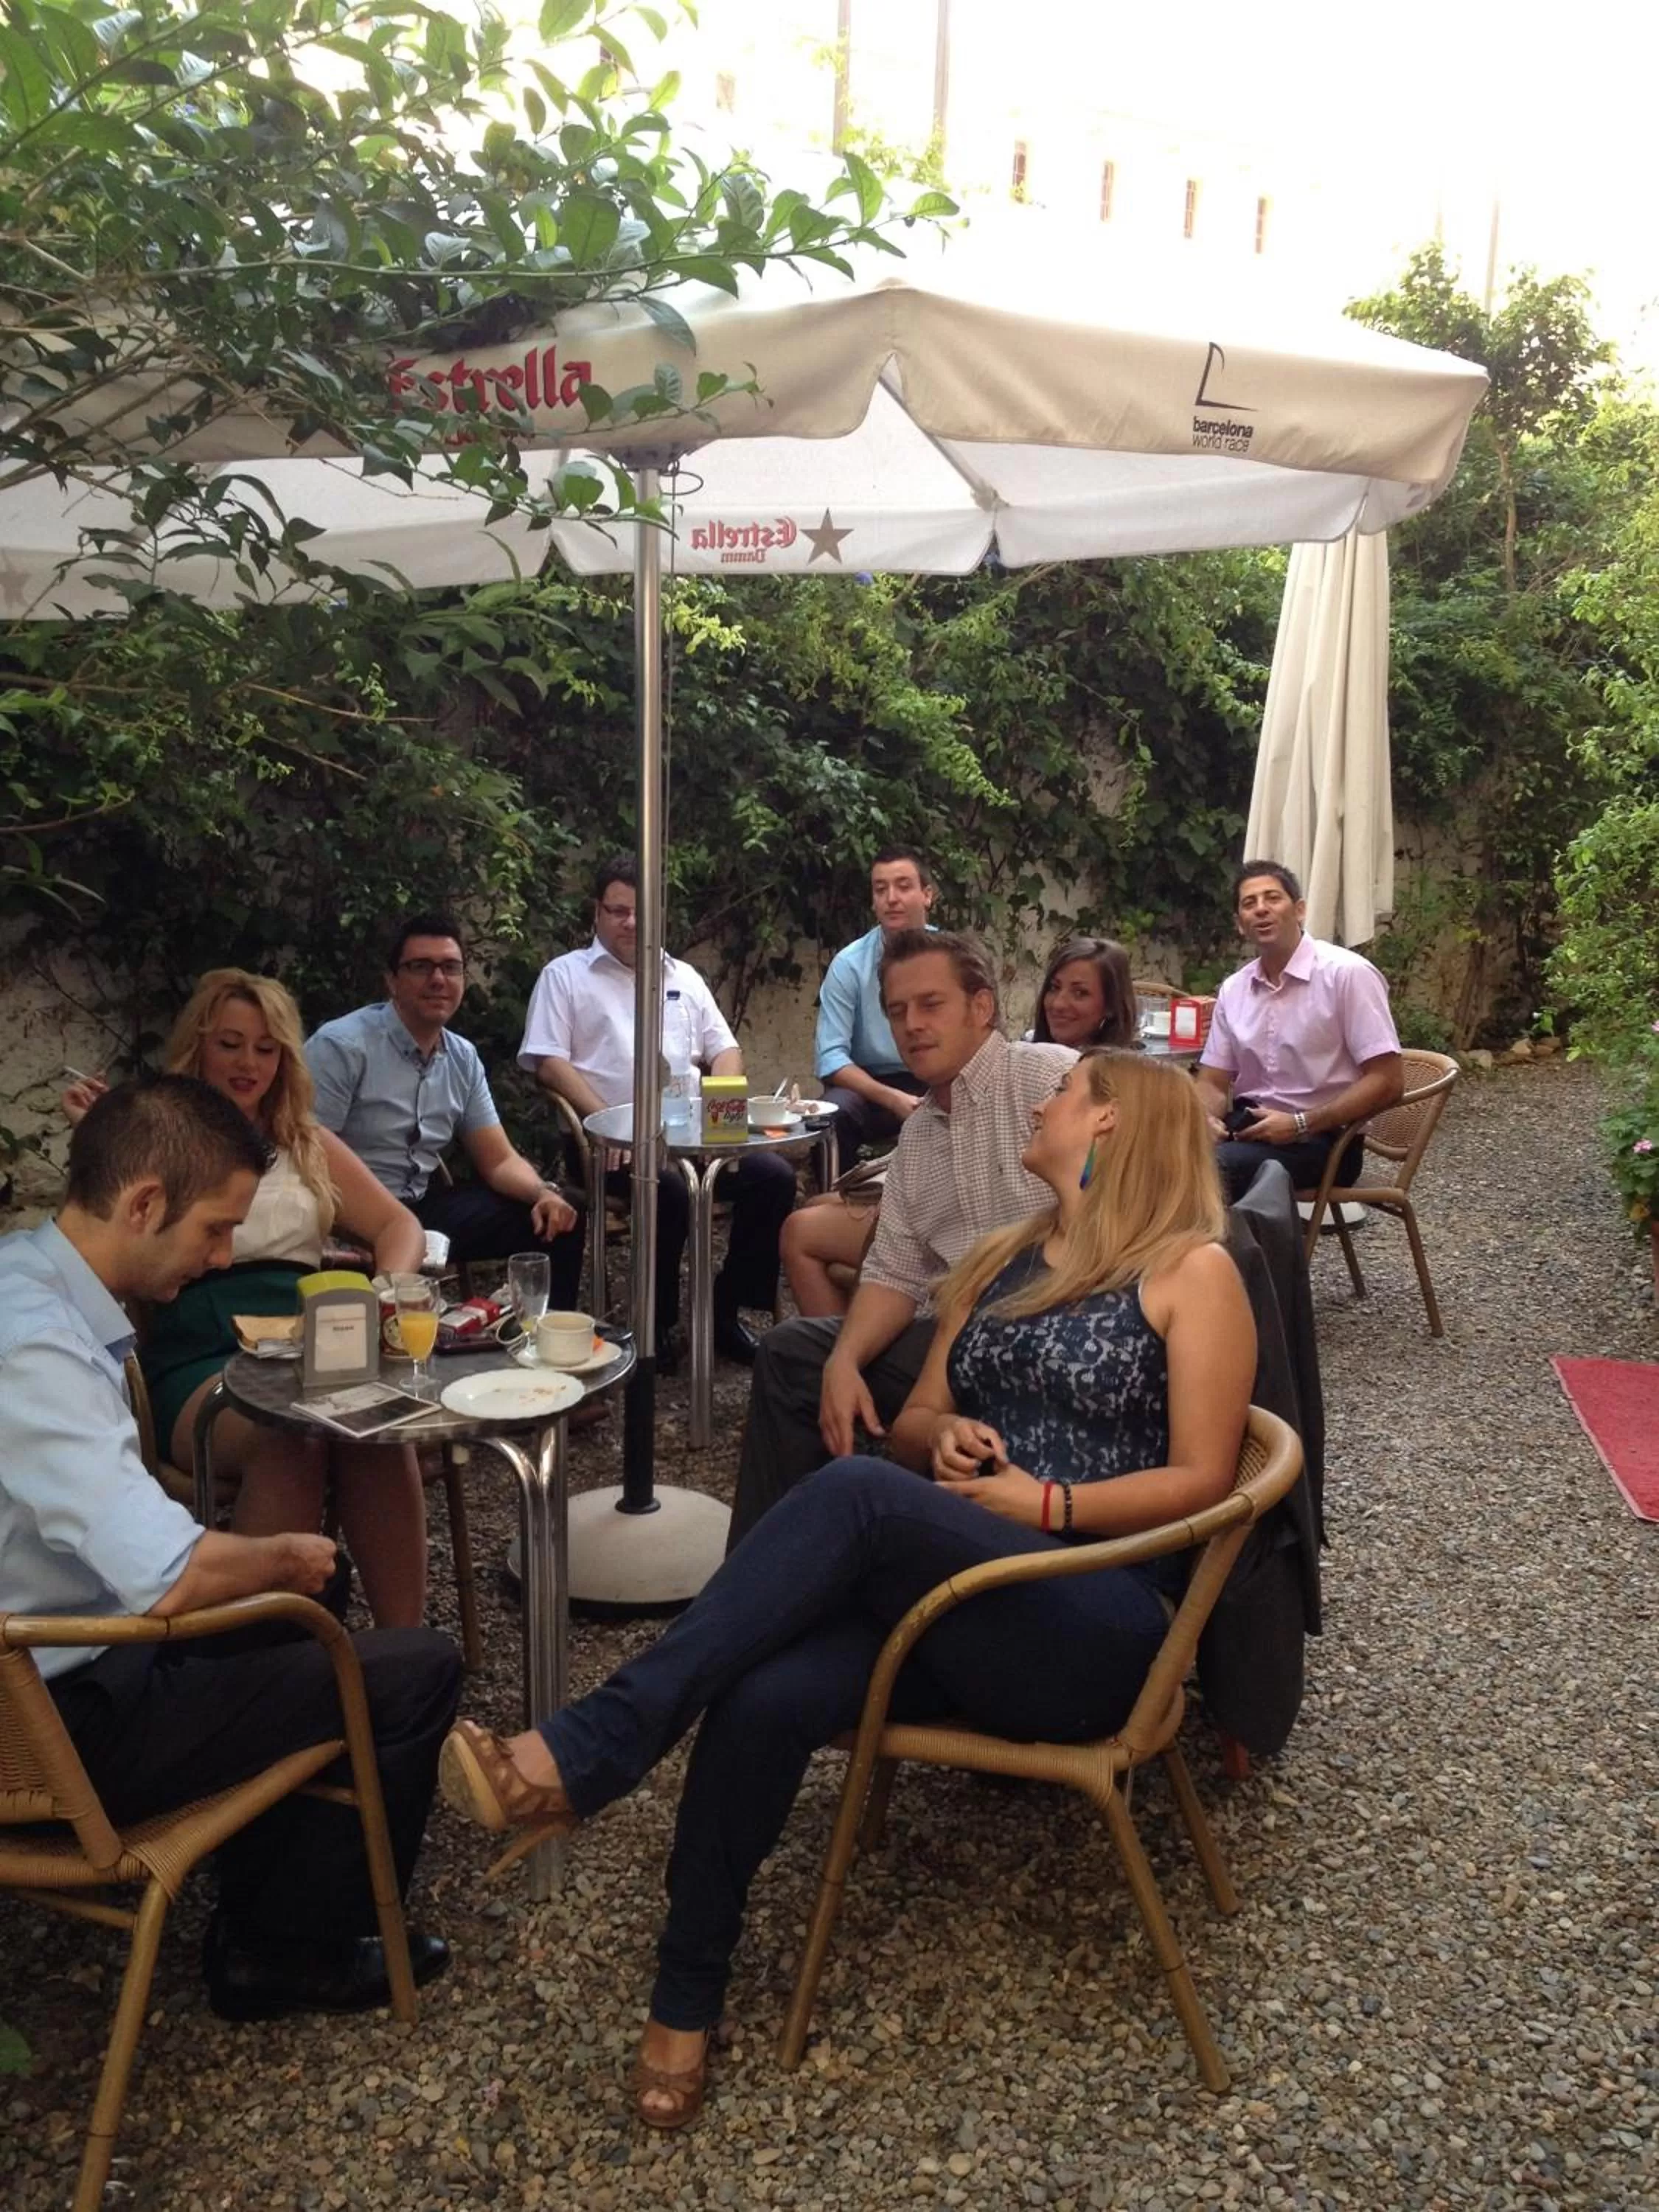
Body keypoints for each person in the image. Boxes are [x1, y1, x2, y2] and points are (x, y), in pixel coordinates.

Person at [437, 1048, 1255, 2129]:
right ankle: (684, 1997)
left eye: (1061, 1095)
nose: (1042, 1104)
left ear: (1109, 1125)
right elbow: (912, 1421)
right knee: (765, 1690)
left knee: (861, 1494)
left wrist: (1049, 1506)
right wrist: (948, 1437)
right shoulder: (1010, 1260)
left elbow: (1206, 1476)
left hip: (1094, 1621)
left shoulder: (1192, 1271)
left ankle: (594, 1748)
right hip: (958, 1606)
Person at [0, 1077, 461, 2020]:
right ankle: (290, 1951)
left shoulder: (22, 1278)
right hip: (51, 1728)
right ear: (143, 1204)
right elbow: (171, 1578)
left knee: (303, 1629)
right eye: (215, 1230)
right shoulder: (33, 1348)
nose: (220, 1261)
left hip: (60, 1660)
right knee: (414, 1665)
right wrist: (291, 1558)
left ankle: (268, 1889)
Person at [63, 970, 431, 1628]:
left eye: (266, 1049)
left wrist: (385, 1294)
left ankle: (407, 1650)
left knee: (372, 1427)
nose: (248, 1063)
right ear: (199, 1046)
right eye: (231, 1044)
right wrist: (104, 1139)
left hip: (303, 1348)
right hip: (199, 1359)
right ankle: (258, 1655)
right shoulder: (161, 1140)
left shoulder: (304, 1143)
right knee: (293, 1433)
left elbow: (399, 1226)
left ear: (286, 1057)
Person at [730, 928, 1075, 1545]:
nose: (911, 1024)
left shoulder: (1051, 1083)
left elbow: (1144, 1188)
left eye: (930, 1004)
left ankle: (814, 1558)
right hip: (956, 1341)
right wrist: (844, 1359)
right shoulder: (918, 1138)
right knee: (795, 1354)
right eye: (897, 1011)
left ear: (981, 1008)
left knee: (798, 1356)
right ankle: (785, 1564)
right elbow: (894, 1271)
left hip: (1056, 1340)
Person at [518, 858, 796, 1366]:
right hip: (609, 1147)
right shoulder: (566, 977)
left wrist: (725, 1116)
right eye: (617, 911)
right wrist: (609, 1126)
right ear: (597, 913)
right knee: (664, 1192)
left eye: (639, 912)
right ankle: (659, 1324)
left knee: (774, 1177)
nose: (630, 923)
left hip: (692, 1138)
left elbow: (725, 1049)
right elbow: (550, 1065)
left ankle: (725, 1309)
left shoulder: (683, 976)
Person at [305, 914, 582, 1291]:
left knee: (557, 1222)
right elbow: (307, 1155)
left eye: (450, 968)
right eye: (421, 967)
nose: (438, 979)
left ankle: (544, 1343)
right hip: (346, 1215)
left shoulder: (462, 1058)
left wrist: (543, 1194)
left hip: (420, 1208)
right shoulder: (343, 1048)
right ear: (392, 981)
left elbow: (499, 1160)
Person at [1195, 862, 1404, 1203]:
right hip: (1249, 1127)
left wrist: (1301, 1123)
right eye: (1249, 903)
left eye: (1272, 898)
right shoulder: (1235, 989)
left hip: (1325, 1140)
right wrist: (1201, 1118)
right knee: (1142, 1151)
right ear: (1239, 925)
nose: (1261, 908)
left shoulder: (1347, 975)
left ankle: (1220, 1256)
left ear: (1300, 910)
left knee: (1205, 1172)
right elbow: (1212, 1082)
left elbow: (1388, 1080)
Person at [814, 846, 937, 1172]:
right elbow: (831, 1058)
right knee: (832, 1112)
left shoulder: (952, 959)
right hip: (870, 1087)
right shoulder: (850, 965)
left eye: (903, 886)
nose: (891, 898)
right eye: (880, 889)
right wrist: (892, 1098)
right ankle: (838, 1206)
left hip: (938, 1075)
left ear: (927, 895)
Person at [1030, 934, 1139, 1050]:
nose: (1058, 1004)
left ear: (1111, 1005)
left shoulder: (1116, 1067)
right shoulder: (1025, 1057)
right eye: (1054, 987)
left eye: (1079, 993)